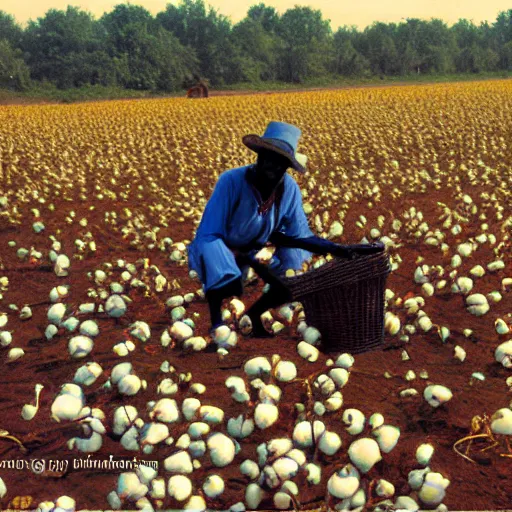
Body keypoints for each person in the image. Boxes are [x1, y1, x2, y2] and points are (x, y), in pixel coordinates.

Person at [187, 121, 383, 339]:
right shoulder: (231, 181)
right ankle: (217, 326)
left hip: (255, 251)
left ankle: (254, 315)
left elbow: (299, 236)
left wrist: (338, 249)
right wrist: (237, 259)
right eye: (268, 157)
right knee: (222, 269)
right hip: (220, 247)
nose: (272, 165)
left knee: (292, 278)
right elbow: (209, 233)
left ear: (287, 167)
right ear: (258, 156)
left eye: (280, 162)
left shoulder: (288, 189)